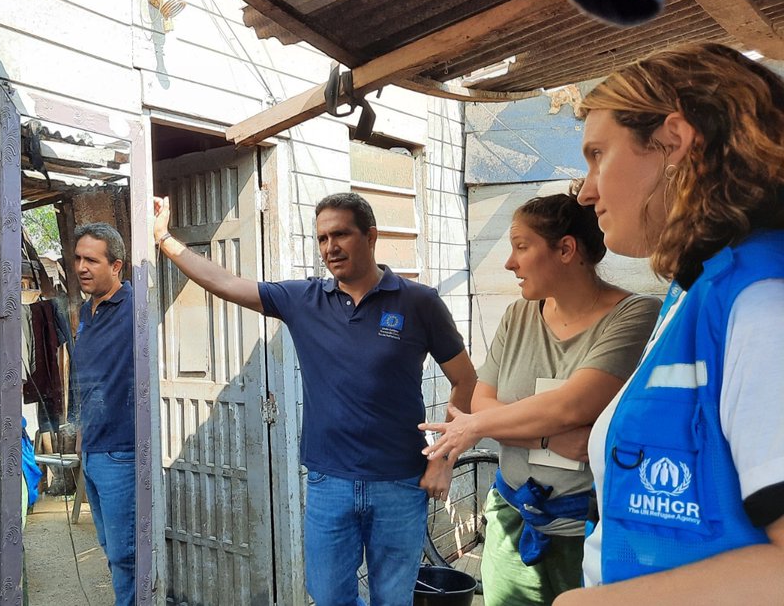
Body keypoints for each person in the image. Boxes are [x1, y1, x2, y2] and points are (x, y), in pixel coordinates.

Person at [154, 191, 476, 606]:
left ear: (371, 235)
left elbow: (465, 382)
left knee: (393, 598)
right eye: (322, 238)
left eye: (340, 234)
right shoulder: (304, 300)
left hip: (400, 482)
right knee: (327, 597)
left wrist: (443, 460)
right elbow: (226, 283)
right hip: (329, 483)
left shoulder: (419, 302)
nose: (330, 248)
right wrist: (164, 238)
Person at [554, 43, 784, 604]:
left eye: (597, 155)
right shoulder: (699, 291)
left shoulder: (762, 304)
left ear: (674, 142)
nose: (586, 192)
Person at [420, 192, 660, 604]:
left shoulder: (635, 314)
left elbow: (574, 403)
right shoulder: (518, 315)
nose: (510, 263)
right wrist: (546, 438)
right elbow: (481, 400)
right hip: (512, 517)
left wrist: (477, 427)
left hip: (590, 529)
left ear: (566, 249)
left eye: (521, 247)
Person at [71, 222, 137, 606]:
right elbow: (88, 379)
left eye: (92, 260)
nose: (81, 266)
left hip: (122, 450)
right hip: (93, 449)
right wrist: (81, 430)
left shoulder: (136, 310)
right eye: (78, 258)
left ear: (117, 266)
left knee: (126, 554)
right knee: (109, 547)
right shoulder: (86, 311)